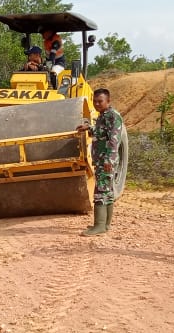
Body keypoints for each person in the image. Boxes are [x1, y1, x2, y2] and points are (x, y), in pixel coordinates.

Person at [76, 88, 127, 236]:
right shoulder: (103, 116)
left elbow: (114, 140)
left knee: (100, 191)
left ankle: (99, 226)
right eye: (95, 101)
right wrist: (89, 128)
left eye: (100, 101)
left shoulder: (112, 116)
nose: (97, 104)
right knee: (108, 191)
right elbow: (102, 133)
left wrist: (109, 159)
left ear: (108, 101)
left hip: (106, 160)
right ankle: (105, 224)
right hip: (102, 159)